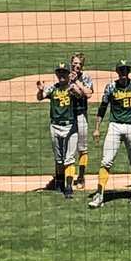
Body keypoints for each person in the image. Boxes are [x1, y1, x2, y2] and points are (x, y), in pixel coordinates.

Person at [88, 60, 131, 208]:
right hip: (115, 125)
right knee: (106, 160)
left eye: (126, 70)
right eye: (121, 70)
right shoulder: (111, 87)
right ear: (117, 71)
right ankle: (100, 194)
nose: (123, 73)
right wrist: (97, 127)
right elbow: (103, 107)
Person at [36, 63, 77, 198]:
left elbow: (80, 94)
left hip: (70, 126)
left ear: (68, 74)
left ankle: (69, 186)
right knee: (59, 158)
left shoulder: (72, 87)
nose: (61, 75)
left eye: (64, 73)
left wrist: (75, 89)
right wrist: (41, 90)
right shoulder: (52, 88)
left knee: (69, 158)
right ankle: (60, 182)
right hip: (55, 126)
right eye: (59, 73)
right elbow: (40, 97)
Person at [68, 52, 94, 188]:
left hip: (81, 115)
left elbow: (88, 93)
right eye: (75, 63)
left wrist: (77, 82)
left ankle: (81, 176)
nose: (77, 65)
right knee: (67, 148)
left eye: (80, 64)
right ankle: (66, 178)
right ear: (71, 63)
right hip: (67, 116)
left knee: (82, 148)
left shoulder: (86, 78)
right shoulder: (64, 77)